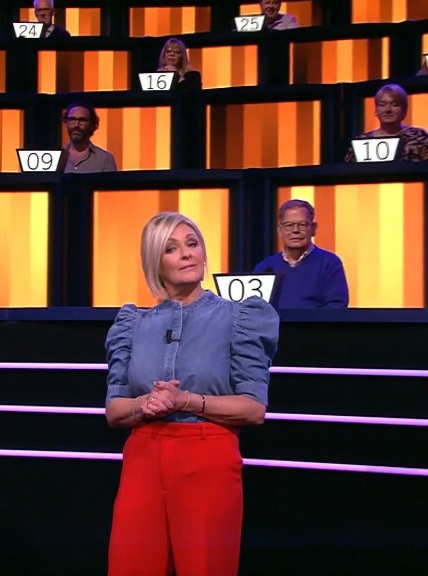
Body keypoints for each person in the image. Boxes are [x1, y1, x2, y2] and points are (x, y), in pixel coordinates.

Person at [105, 212, 279, 576]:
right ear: (155, 261)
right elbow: (115, 411)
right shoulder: (132, 324)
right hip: (142, 459)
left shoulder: (238, 318)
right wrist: (145, 404)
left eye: (192, 244)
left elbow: (253, 409)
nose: (186, 254)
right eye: (171, 248)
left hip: (208, 457)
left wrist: (186, 401)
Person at [253, 199, 349, 308]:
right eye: (289, 225)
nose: (295, 230)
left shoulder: (329, 263)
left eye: (302, 225)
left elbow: (336, 307)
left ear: (313, 229)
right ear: (280, 231)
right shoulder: (266, 267)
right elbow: (254, 309)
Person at [345, 83, 428, 163]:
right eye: (382, 105)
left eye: (395, 105)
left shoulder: (419, 137)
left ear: (404, 109)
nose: (388, 110)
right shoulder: (361, 142)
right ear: (376, 110)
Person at [59, 102, 117, 173]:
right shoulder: (55, 157)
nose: (76, 125)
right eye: (72, 119)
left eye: (82, 120)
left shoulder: (105, 159)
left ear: (92, 125)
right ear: (66, 123)